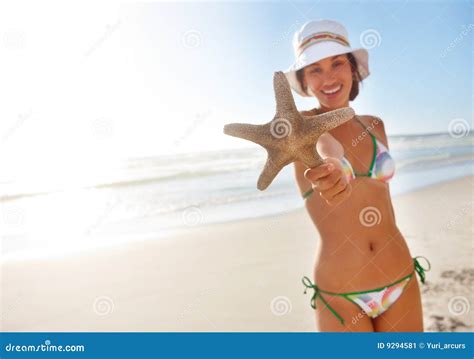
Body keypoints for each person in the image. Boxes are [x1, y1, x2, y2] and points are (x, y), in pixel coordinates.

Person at [284, 19, 431, 332]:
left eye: (337, 63)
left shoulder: (374, 126)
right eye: (315, 69)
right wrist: (334, 165)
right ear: (304, 80)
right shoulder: (299, 128)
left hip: (400, 278)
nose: (329, 77)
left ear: (352, 68)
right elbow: (327, 146)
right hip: (341, 295)